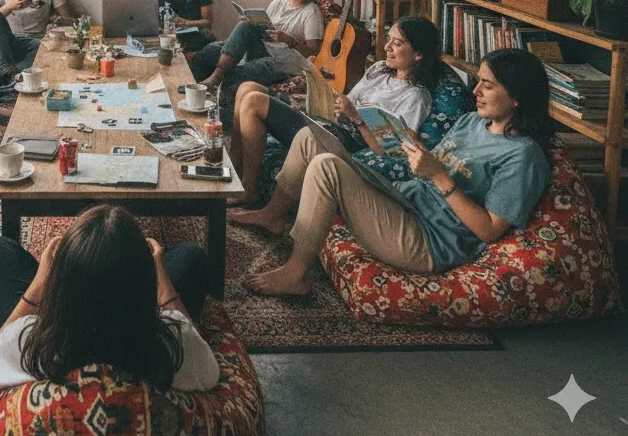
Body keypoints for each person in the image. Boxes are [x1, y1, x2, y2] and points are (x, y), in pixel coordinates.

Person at [231, 48, 553, 297]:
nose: (476, 92)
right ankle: (273, 214)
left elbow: (490, 230)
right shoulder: (472, 122)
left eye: (488, 85)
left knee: (327, 168)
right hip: (404, 199)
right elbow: (428, 166)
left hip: (428, 240)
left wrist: (440, 176)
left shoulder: (523, 157)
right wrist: (406, 145)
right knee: (307, 138)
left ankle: (297, 274)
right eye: (478, 82)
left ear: (517, 98)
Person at [0, 205, 219, 392]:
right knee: (191, 257)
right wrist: (161, 277)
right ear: (143, 285)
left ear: (62, 287)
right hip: (135, 340)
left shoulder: (30, 342)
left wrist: (39, 283)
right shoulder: (174, 345)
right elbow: (210, 371)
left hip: (62, 339)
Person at [228, 16, 442, 205]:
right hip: (331, 121)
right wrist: (317, 79)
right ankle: (233, 173)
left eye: (396, 44)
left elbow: (393, 149)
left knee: (254, 101)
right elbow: (348, 99)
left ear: (418, 55)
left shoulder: (415, 96)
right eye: (388, 40)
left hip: (347, 140)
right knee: (247, 88)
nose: (387, 48)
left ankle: (250, 190)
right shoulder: (379, 70)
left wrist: (356, 118)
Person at [192, 0, 324, 101]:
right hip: (263, 48)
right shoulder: (278, 3)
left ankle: (213, 82)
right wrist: (250, 20)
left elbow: (314, 52)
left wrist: (288, 40)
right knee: (209, 51)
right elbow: (260, 28)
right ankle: (197, 88)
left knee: (236, 72)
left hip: (284, 61)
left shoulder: (311, 11)